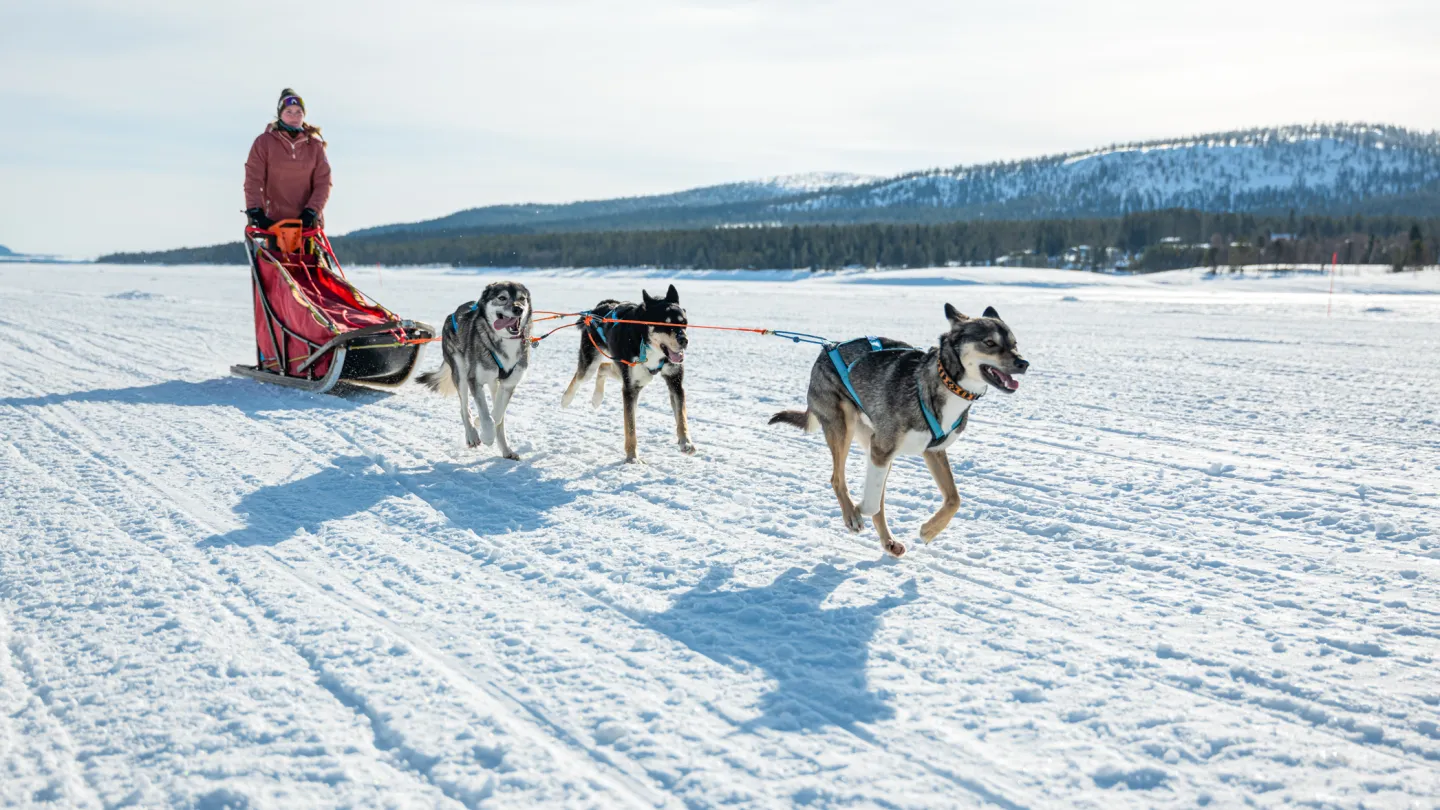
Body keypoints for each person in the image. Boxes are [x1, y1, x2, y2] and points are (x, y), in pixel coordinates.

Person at [243, 88, 332, 232]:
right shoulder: (264, 143)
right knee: (273, 255)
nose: (294, 116)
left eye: (299, 112)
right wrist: (255, 210)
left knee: (309, 255)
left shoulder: (315, 146)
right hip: (272, 222)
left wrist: (312, 211)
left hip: (308, 224)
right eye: (289, 112)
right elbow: (253, 179)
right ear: (280, 115)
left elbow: (323, 182)